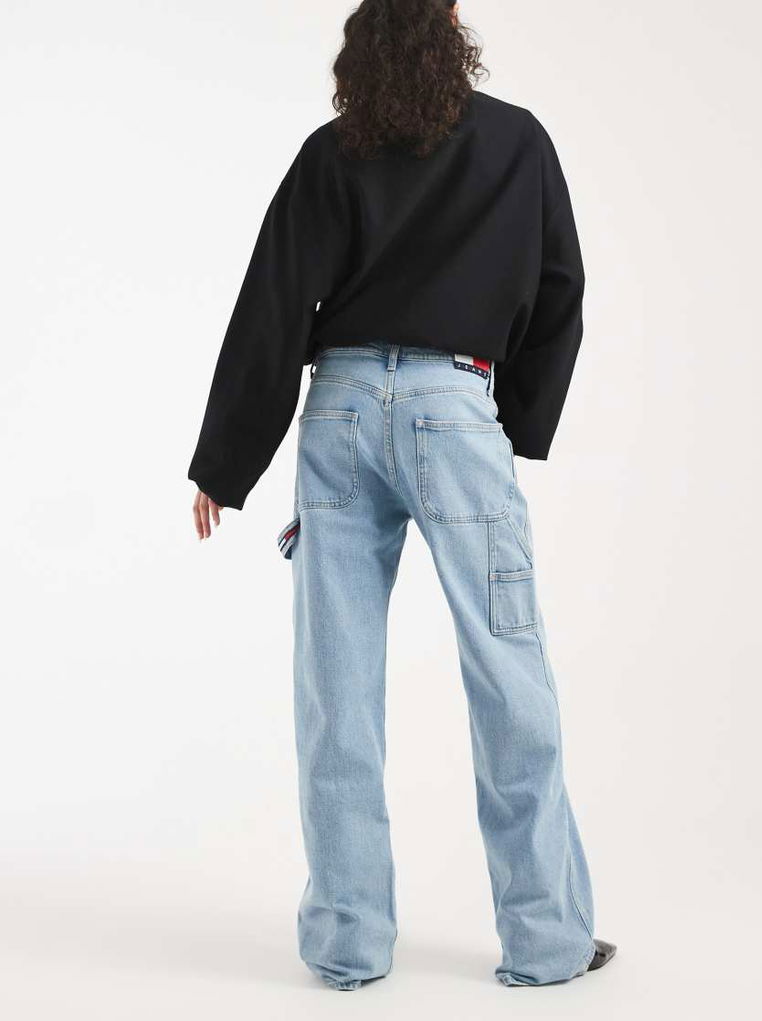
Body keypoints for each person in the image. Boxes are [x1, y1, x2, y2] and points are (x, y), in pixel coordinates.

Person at [188, 0, 615, 991]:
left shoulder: (332, 151)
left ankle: (348, 944)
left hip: (337, 410)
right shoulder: (516, 142)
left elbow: (271, 304)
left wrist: (225, 463)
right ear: (451, 24)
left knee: (336, 686)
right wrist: (513, 422)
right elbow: (561, 287)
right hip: (454, 406)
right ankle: (545, 941)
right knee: (507, 672)